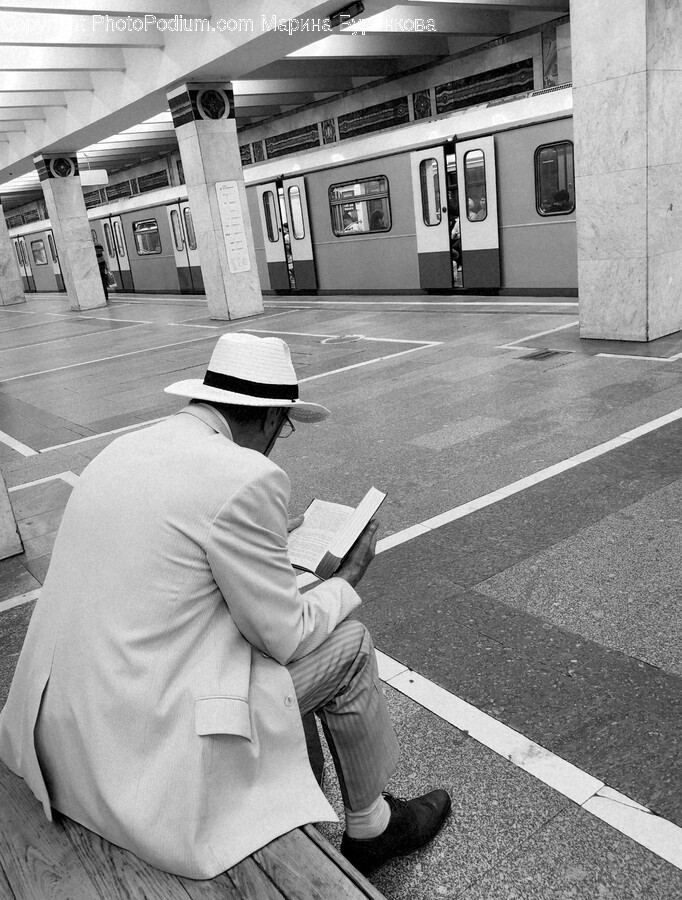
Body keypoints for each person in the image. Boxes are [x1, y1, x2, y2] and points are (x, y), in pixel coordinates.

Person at [0, 332, 450, 880]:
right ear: (266, 419)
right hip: (142, 753)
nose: (277, 440)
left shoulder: (126, 448)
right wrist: (348, 578)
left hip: (59, 728)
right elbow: (283, 635)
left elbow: (172, 548)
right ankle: (373, 826)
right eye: (282, 426)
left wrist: (260, 545)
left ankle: (315, 793)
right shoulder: (247, 476)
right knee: (350, 643)